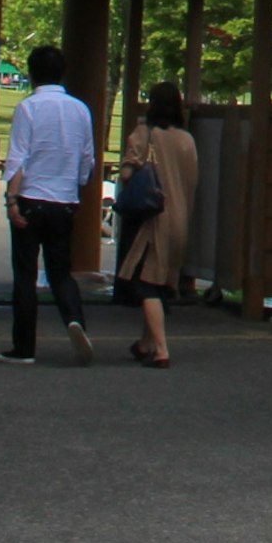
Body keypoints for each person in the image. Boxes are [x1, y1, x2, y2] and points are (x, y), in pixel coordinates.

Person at [0, 44, 95, 365]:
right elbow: (87, 160)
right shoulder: (80, 109)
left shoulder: (29, 108)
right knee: (61, 271)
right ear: (62, 71)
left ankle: (24, 347)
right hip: (64, 201)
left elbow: (18, 159)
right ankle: (75, 321)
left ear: (31, 72)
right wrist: (75, 188)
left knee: (25, 274)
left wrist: (11, 200)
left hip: (31, 198)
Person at [114, 82, 198, 368]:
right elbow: (192, 182)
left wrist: (128, 171)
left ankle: (161, 349)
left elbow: (128, 171)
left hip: (152, 218)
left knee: (146, 284)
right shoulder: (188, 140)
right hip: (180, 218)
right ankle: (145, 343)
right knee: (160, 282)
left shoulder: (145, 134)